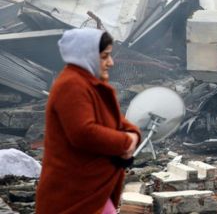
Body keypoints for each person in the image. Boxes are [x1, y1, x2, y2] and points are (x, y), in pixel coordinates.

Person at [36, 28, 141, 214]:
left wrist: (133, 134)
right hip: (75, 192)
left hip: (90, 190)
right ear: (87, 55)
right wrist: (126, 142)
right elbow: (83, 133)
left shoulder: (87, 83)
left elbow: (114, 121)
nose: (111, 62)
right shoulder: (72, 85)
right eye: (105, 56)